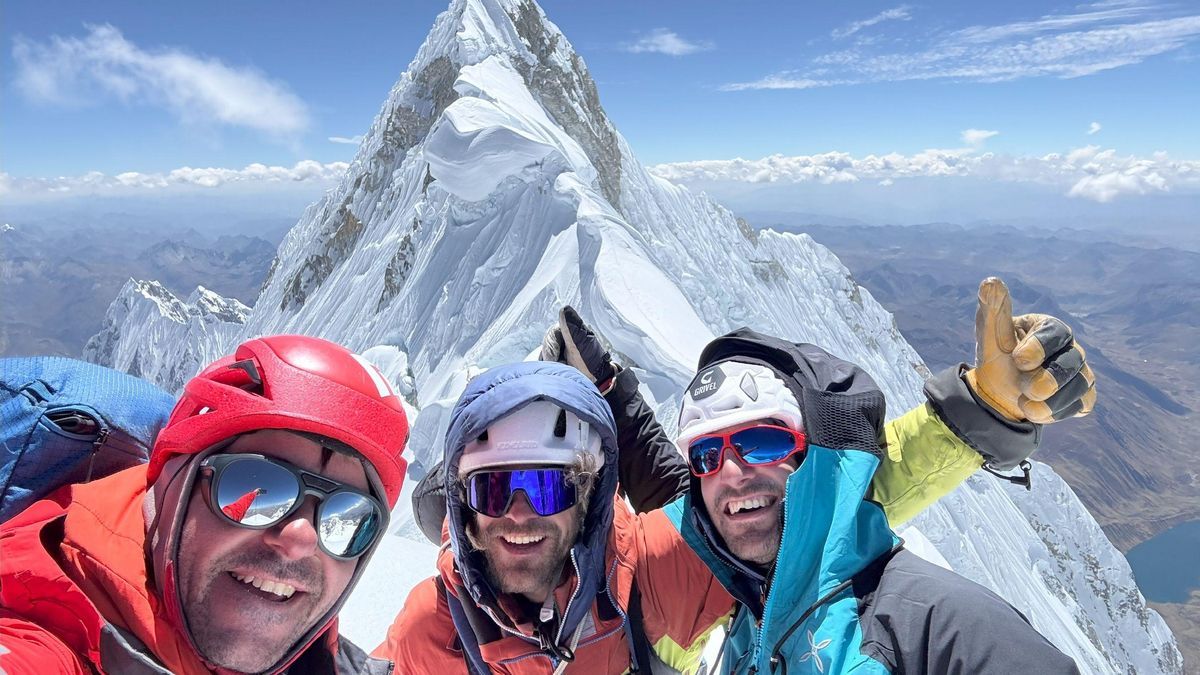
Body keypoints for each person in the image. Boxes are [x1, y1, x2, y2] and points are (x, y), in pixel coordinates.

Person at [391, 278, 1093, 673]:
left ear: (589, 496)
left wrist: (972, 417)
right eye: (490, 489)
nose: (519, 515)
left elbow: (817, 508)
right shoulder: (431, 629)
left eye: (546, 486)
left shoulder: (637, 574)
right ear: (463, 508)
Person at [0, 335, 409, 675]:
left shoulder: (326, 662)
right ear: (168, 483)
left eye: (347, 518)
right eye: (256, 485)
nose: (301, 537)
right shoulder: (42, 640)